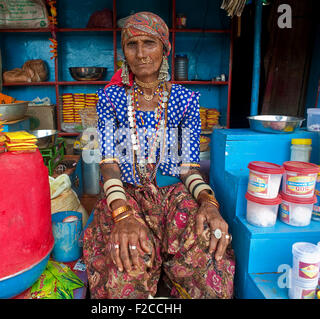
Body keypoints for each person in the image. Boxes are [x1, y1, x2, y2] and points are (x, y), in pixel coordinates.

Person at [83, 11, 235, 299]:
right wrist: (121, 215)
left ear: (165, 48)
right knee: (126, 265)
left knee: (208, 254)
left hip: (173, 196)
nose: (141, 54)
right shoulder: (110, 99)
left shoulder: (185, 100)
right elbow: (110, 164)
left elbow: (188, 168)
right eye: (132, 44)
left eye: (149, 43)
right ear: (124, 51)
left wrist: (209, 203)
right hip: (125, 195)